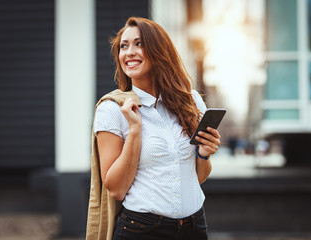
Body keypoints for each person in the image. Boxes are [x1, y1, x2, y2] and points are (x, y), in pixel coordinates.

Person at [94, 17, 221, 240]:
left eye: (139, 44)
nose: (129, 52)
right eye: (124, 46)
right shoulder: (113, 109)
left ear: (159, 51)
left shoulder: (189, 101)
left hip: (194, 227)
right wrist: (134, 131)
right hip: (143, 230)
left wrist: (204, 154)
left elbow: (198, 177)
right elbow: (115, 189)